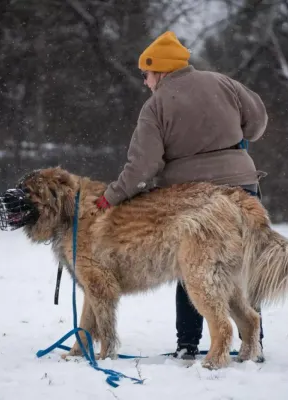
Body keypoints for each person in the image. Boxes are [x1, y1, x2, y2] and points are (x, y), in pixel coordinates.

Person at [94, 31, 268, 360]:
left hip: (192, 197)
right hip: (242, 184)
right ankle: (253, 345)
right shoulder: (224, 82)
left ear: (158, 70)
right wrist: (237, 139)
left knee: (190, 267)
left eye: (146, 75)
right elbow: (257, 122)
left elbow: (142, 166)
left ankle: (188, 344)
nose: (145, 82)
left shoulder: (156, 106)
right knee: (243, 263)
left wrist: (111, 196)